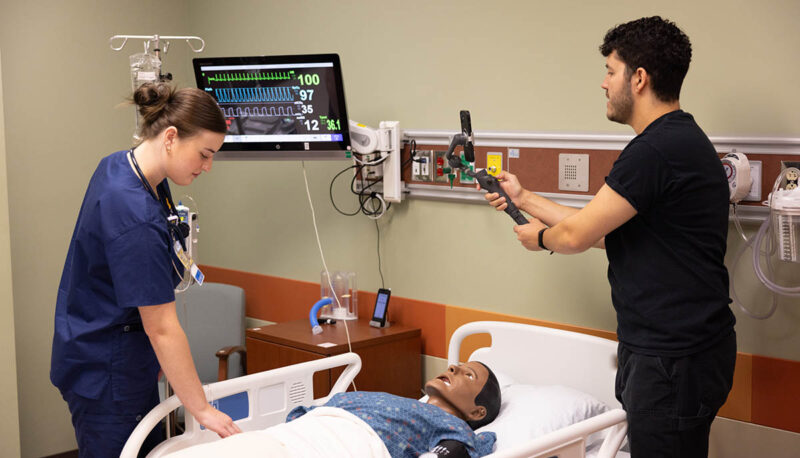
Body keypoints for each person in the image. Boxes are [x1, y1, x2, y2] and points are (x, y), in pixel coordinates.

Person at [482, 16, 736, 458]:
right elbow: (601, 230)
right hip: (682, 352)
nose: (603, 83)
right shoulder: (678, 141)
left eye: (610, 70)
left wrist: (541, 240)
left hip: (671, 358)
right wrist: (523, 196)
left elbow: (578, 234)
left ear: (639, 79)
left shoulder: (654, 151)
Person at [50, 82, 241, 457]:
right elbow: (163, 328)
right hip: (108, 373)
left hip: (99, 347)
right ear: (171, 137)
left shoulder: (121, 166)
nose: (208, 166)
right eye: (204, 154)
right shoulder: (135, 216)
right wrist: (201, 409)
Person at [168, 361, 501, 458]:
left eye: (467, 374)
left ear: (476, 413)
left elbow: (456, 452)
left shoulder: (453, 426)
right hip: (283, 439)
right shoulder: (394, 400)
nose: (454, 369)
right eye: (456, 365)